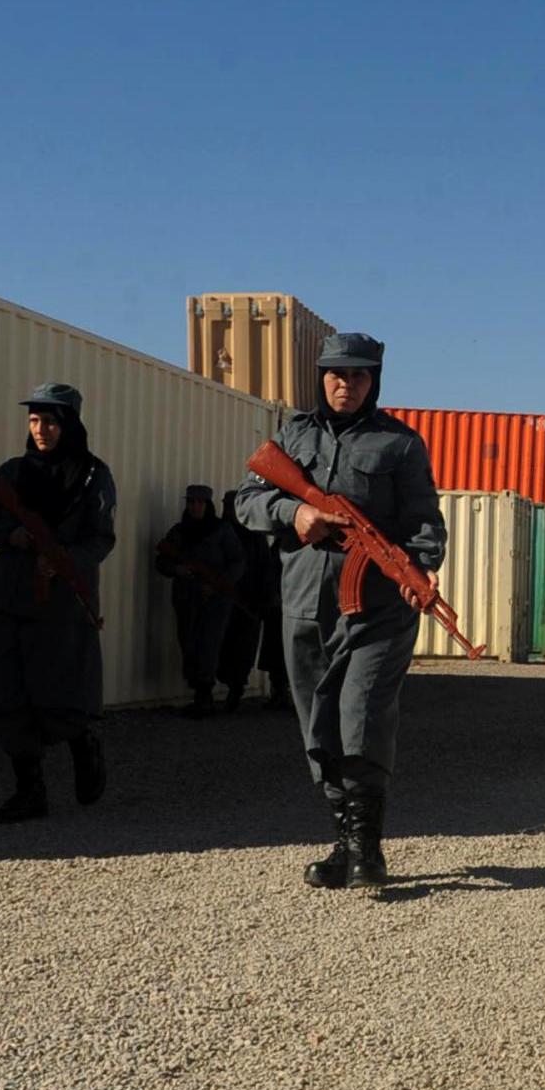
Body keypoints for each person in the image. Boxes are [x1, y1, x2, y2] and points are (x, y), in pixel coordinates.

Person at [236, 332, 446, 888]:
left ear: (373, 381)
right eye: (336, 374)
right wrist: (292, 513)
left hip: (376, 609)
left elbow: (425, 521)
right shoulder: (293, 435)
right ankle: (343, 843)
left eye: (357, 376)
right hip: (305, 605)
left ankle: (367, 850)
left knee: (362, 717)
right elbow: (246, 500)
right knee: (318, 725)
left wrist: (419, 570)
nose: (345, 384)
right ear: (321, 375)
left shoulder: (400, 445)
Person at [0, 382, 117, 823]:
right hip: (10, 596)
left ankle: (83, 741)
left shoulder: (92, 476)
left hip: (63, 602)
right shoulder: (12, 474)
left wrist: (65, 560)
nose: (40, 429)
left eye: (49, 421)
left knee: (62, 691)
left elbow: (101, 537)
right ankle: (29, 792)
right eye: (33, 420)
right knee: (8, 695)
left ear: (68, 424)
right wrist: (8, 535)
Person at [156, 484, 249, 717]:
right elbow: (162, 561)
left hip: (215, 599)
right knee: (189, 642)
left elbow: (237, 561)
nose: (195, 506)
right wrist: (177, 569)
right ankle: (199, 691)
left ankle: (204, 695)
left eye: (200, 502)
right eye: (191, 502)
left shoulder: (221, 530)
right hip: (187, 597)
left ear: (207, 505)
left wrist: (217, 585)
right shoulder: (179, 532)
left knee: (209, 643)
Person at [215, 489, 290, 711]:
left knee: (244, 649)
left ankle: (238, 691)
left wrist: (264, 598)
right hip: (228, 600)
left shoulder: (254, 537)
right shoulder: (221, 533)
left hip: (251, 603)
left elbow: (265, 569)